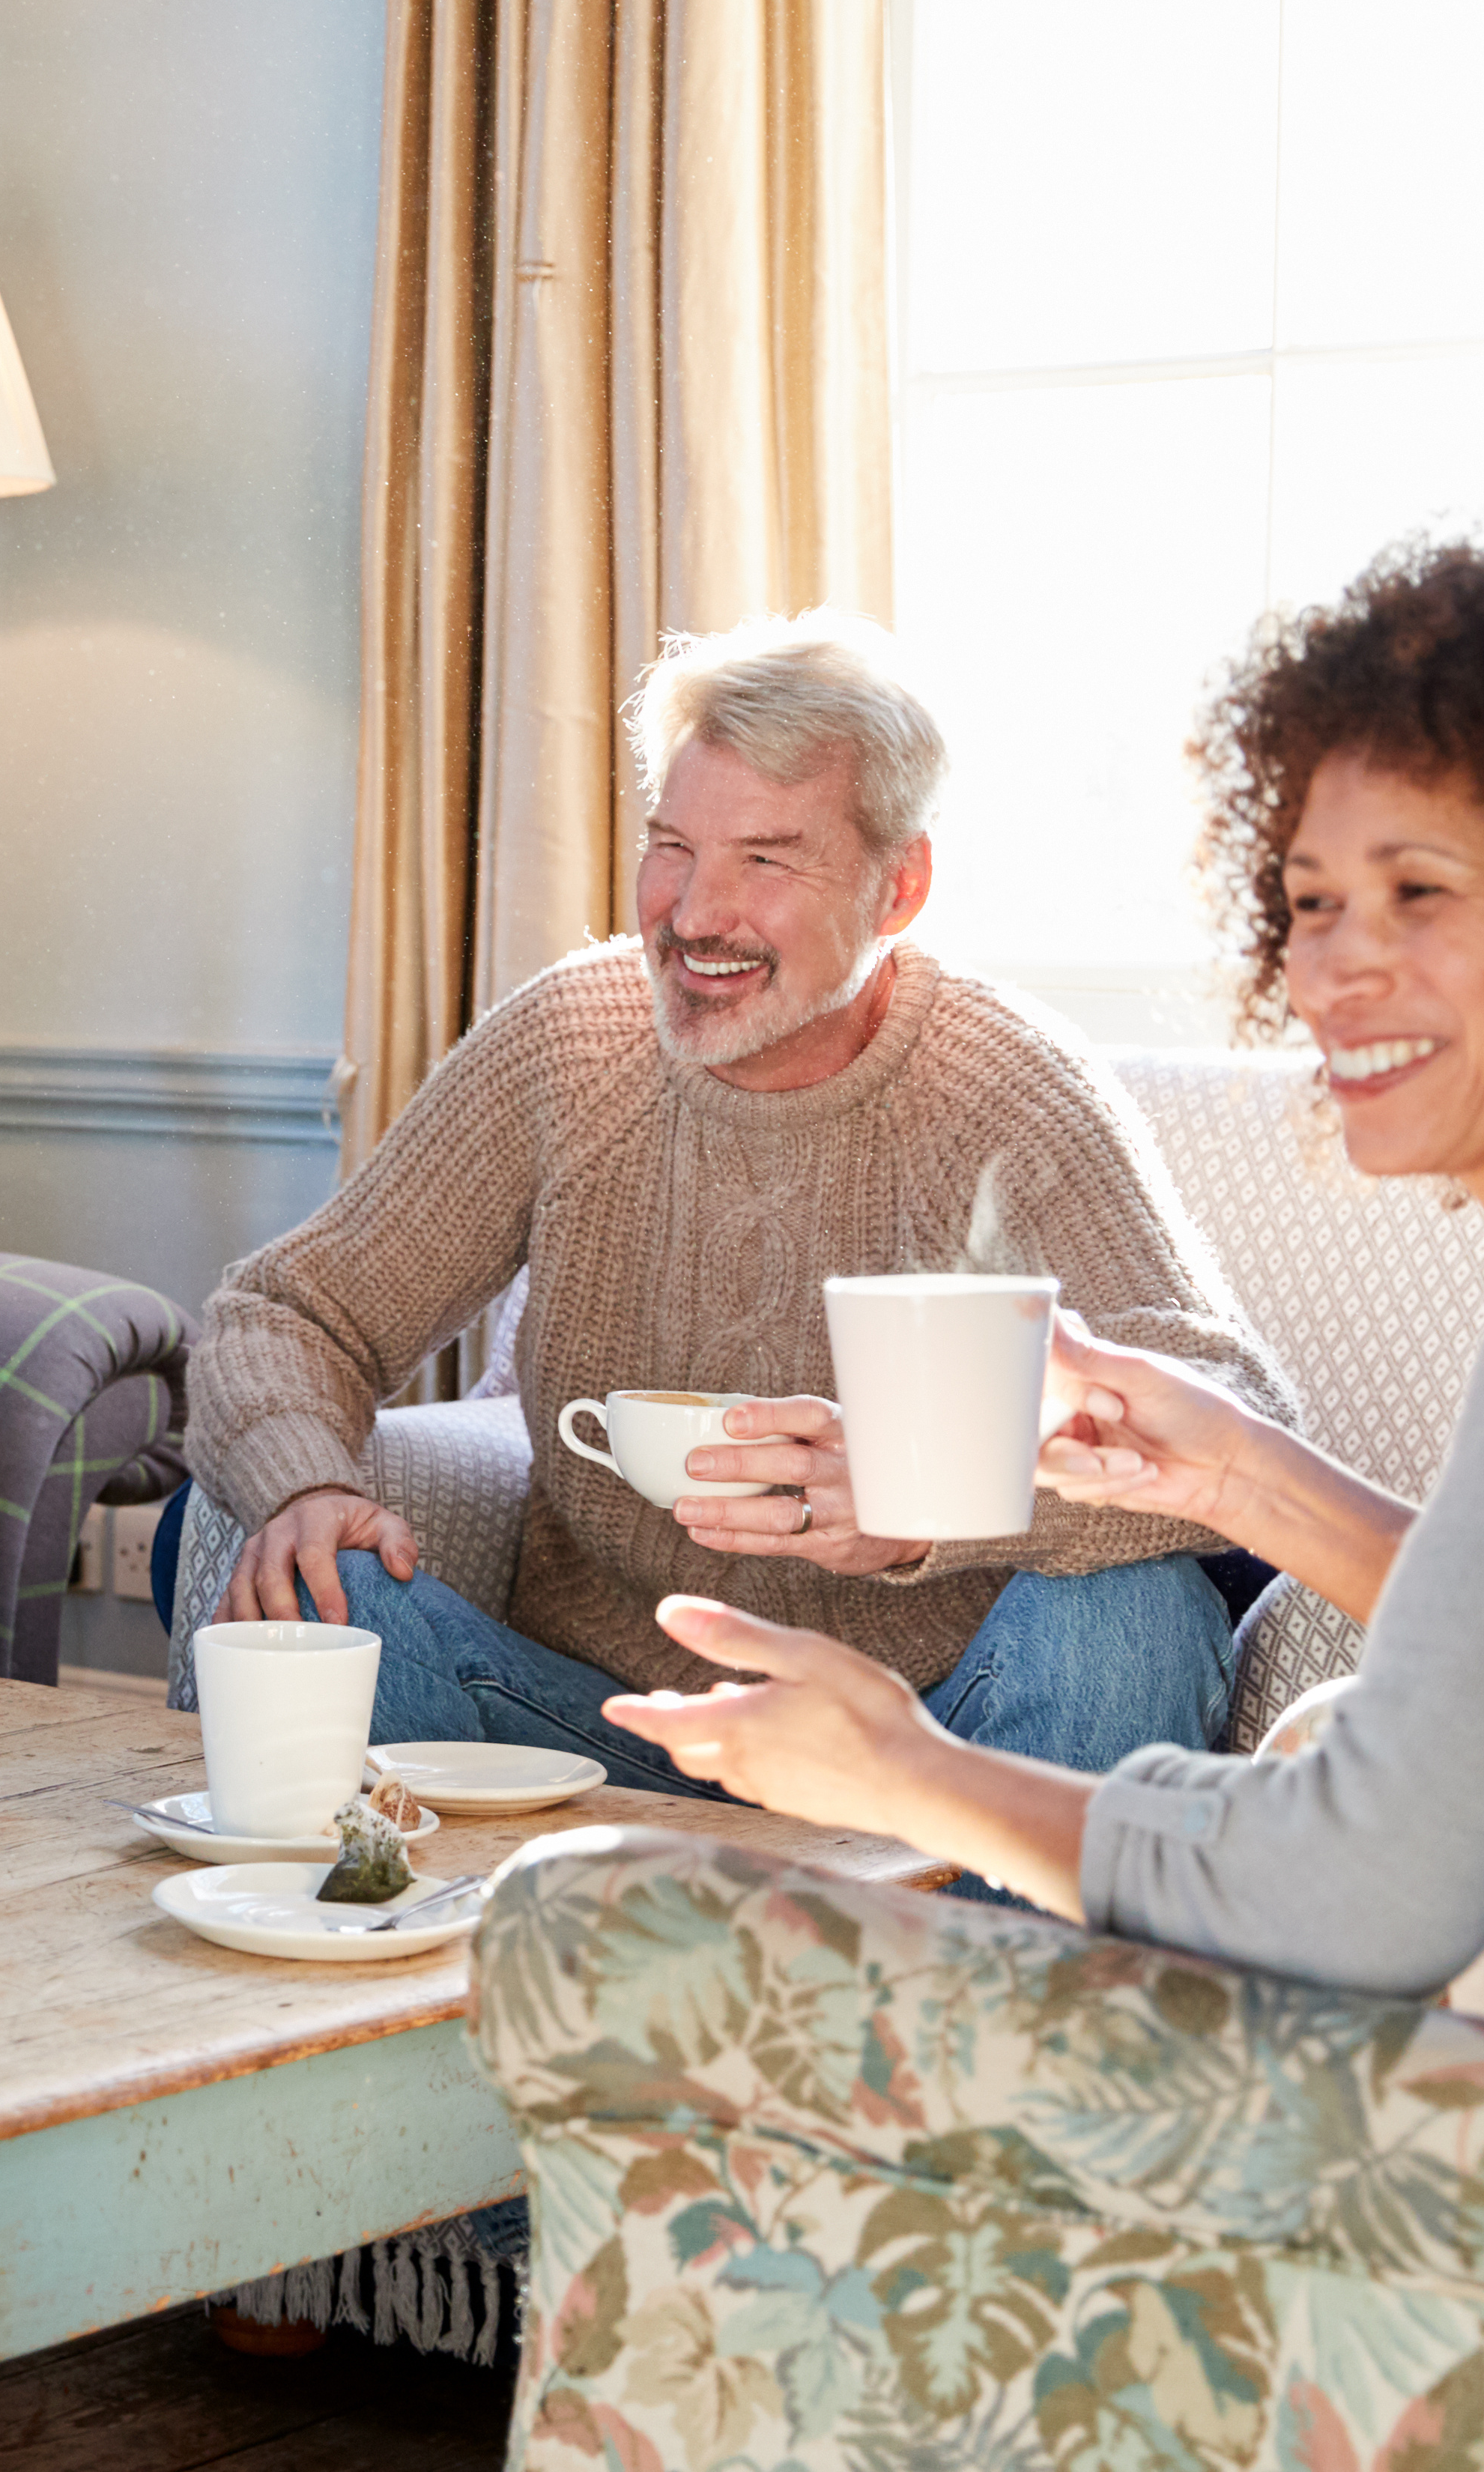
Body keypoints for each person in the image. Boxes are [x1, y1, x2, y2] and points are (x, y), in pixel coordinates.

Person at [588, 519, 1484, 2034]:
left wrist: (900, 1766)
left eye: (1420, 891)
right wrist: (1233, 1477)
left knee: (624, 1969)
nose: (1335, 965)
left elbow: (1363, 1885)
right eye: (1314, 898)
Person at [191, 609, 1291, 1795]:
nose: (694, 911)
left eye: (765, 859)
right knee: (312, 1590)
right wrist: (309, 1485)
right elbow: (288, 1309)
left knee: (1140, 1616)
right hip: (593, 1730)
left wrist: (931, 1516)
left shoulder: (1009, 1088)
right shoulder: (572, 1041)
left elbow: (1235, 1419)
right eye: (674, 844)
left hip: (939, 1757)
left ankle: (976, 1975)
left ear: (898, 885)